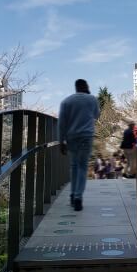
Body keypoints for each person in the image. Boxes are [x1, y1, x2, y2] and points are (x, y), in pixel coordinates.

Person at [59, 79, 100, 211]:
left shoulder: (66, 101)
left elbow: (61, 123)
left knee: (74, 166)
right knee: (82, 167)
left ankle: (72, 194)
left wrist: (61, 141)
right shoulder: (92, 99)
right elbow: (96, 115)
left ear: (75, 87)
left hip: (72, 137)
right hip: (86, 136)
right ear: (86, 86)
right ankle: (78, 197)